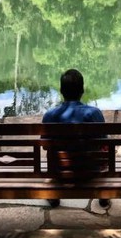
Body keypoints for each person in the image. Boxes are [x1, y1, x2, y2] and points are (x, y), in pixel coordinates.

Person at [42, 68, 110, 209]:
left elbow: (45, 145)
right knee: (105, 146)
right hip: (91, 172)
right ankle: (103, 193)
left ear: (61, 90)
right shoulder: (95, 114)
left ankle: (53, 193)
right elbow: (104, 143)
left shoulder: (50, 116)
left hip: (59, 172)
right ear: (82, 90)